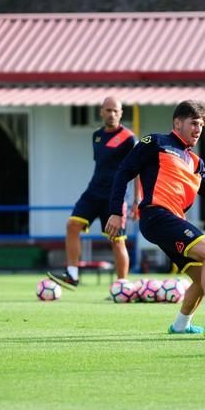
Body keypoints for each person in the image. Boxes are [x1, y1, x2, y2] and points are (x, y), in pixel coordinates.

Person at [106, 100, 205, 339]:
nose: (198, 129)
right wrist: (116, 211)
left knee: (204, 278)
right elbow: (124, 171)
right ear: (177, 123)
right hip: (156, 215)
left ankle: (181, 325)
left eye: (201, 124)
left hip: (170, 222)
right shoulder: (155, 142)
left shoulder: (196, 163)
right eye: (193, 123)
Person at [48, 96, 139, 290]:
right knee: (72, 225)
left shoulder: (129, 138)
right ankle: (72, 274)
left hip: (114, 198)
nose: (112, 114)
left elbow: (138, 170)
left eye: (116, 110)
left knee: (117, 241)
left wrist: (137, 200)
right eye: (108, 110)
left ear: (122, 113)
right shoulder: (96, 136)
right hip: (92, 193)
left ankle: (122, 286)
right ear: (101, 111)